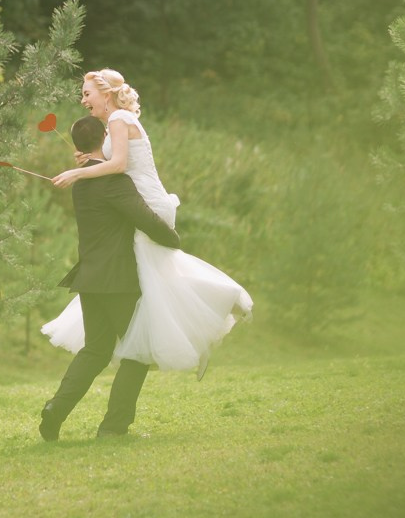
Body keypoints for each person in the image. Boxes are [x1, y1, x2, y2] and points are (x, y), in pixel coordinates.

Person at [43, 68, 253, 378]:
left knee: (158, 280)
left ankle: (219, 305)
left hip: (147, 204)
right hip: (141, 200)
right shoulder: (117, 121)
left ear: (106, 94)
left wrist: (77, 173)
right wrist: (88, 160)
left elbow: (118, 165)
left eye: (87, 93)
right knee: (154, 282)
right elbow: (112, 164)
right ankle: (190, 336)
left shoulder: (117, 119)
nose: (83, 99)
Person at [39, 115, 182, 442]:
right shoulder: (114, 183)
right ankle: (113, 427)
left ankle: (54, 410)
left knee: (96, 350)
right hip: (117, 280)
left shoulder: (82, 185)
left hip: (89, 278)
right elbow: (145, 219)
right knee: (138, 351)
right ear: (105, 137)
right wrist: (172, 239)